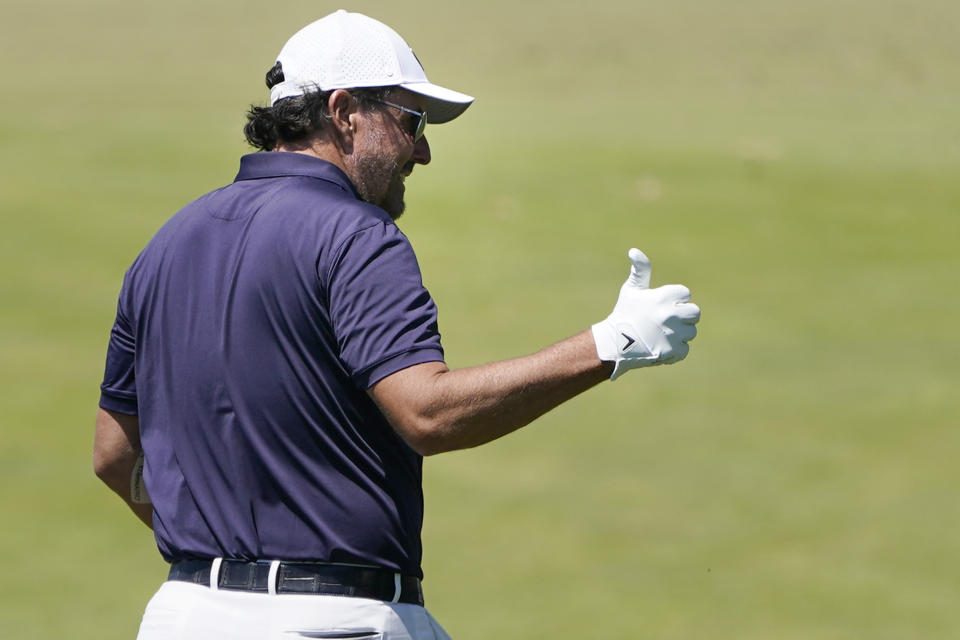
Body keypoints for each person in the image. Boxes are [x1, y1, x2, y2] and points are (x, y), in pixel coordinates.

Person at [93, 10, 700, 640]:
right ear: (344, 111)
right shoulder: (357, 235)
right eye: (411, 122)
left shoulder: (163, 246)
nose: (425, 150)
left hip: (183, 618)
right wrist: (608, 345)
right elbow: (427, 414)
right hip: (333, 623)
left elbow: (114, 455)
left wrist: (218, 551)